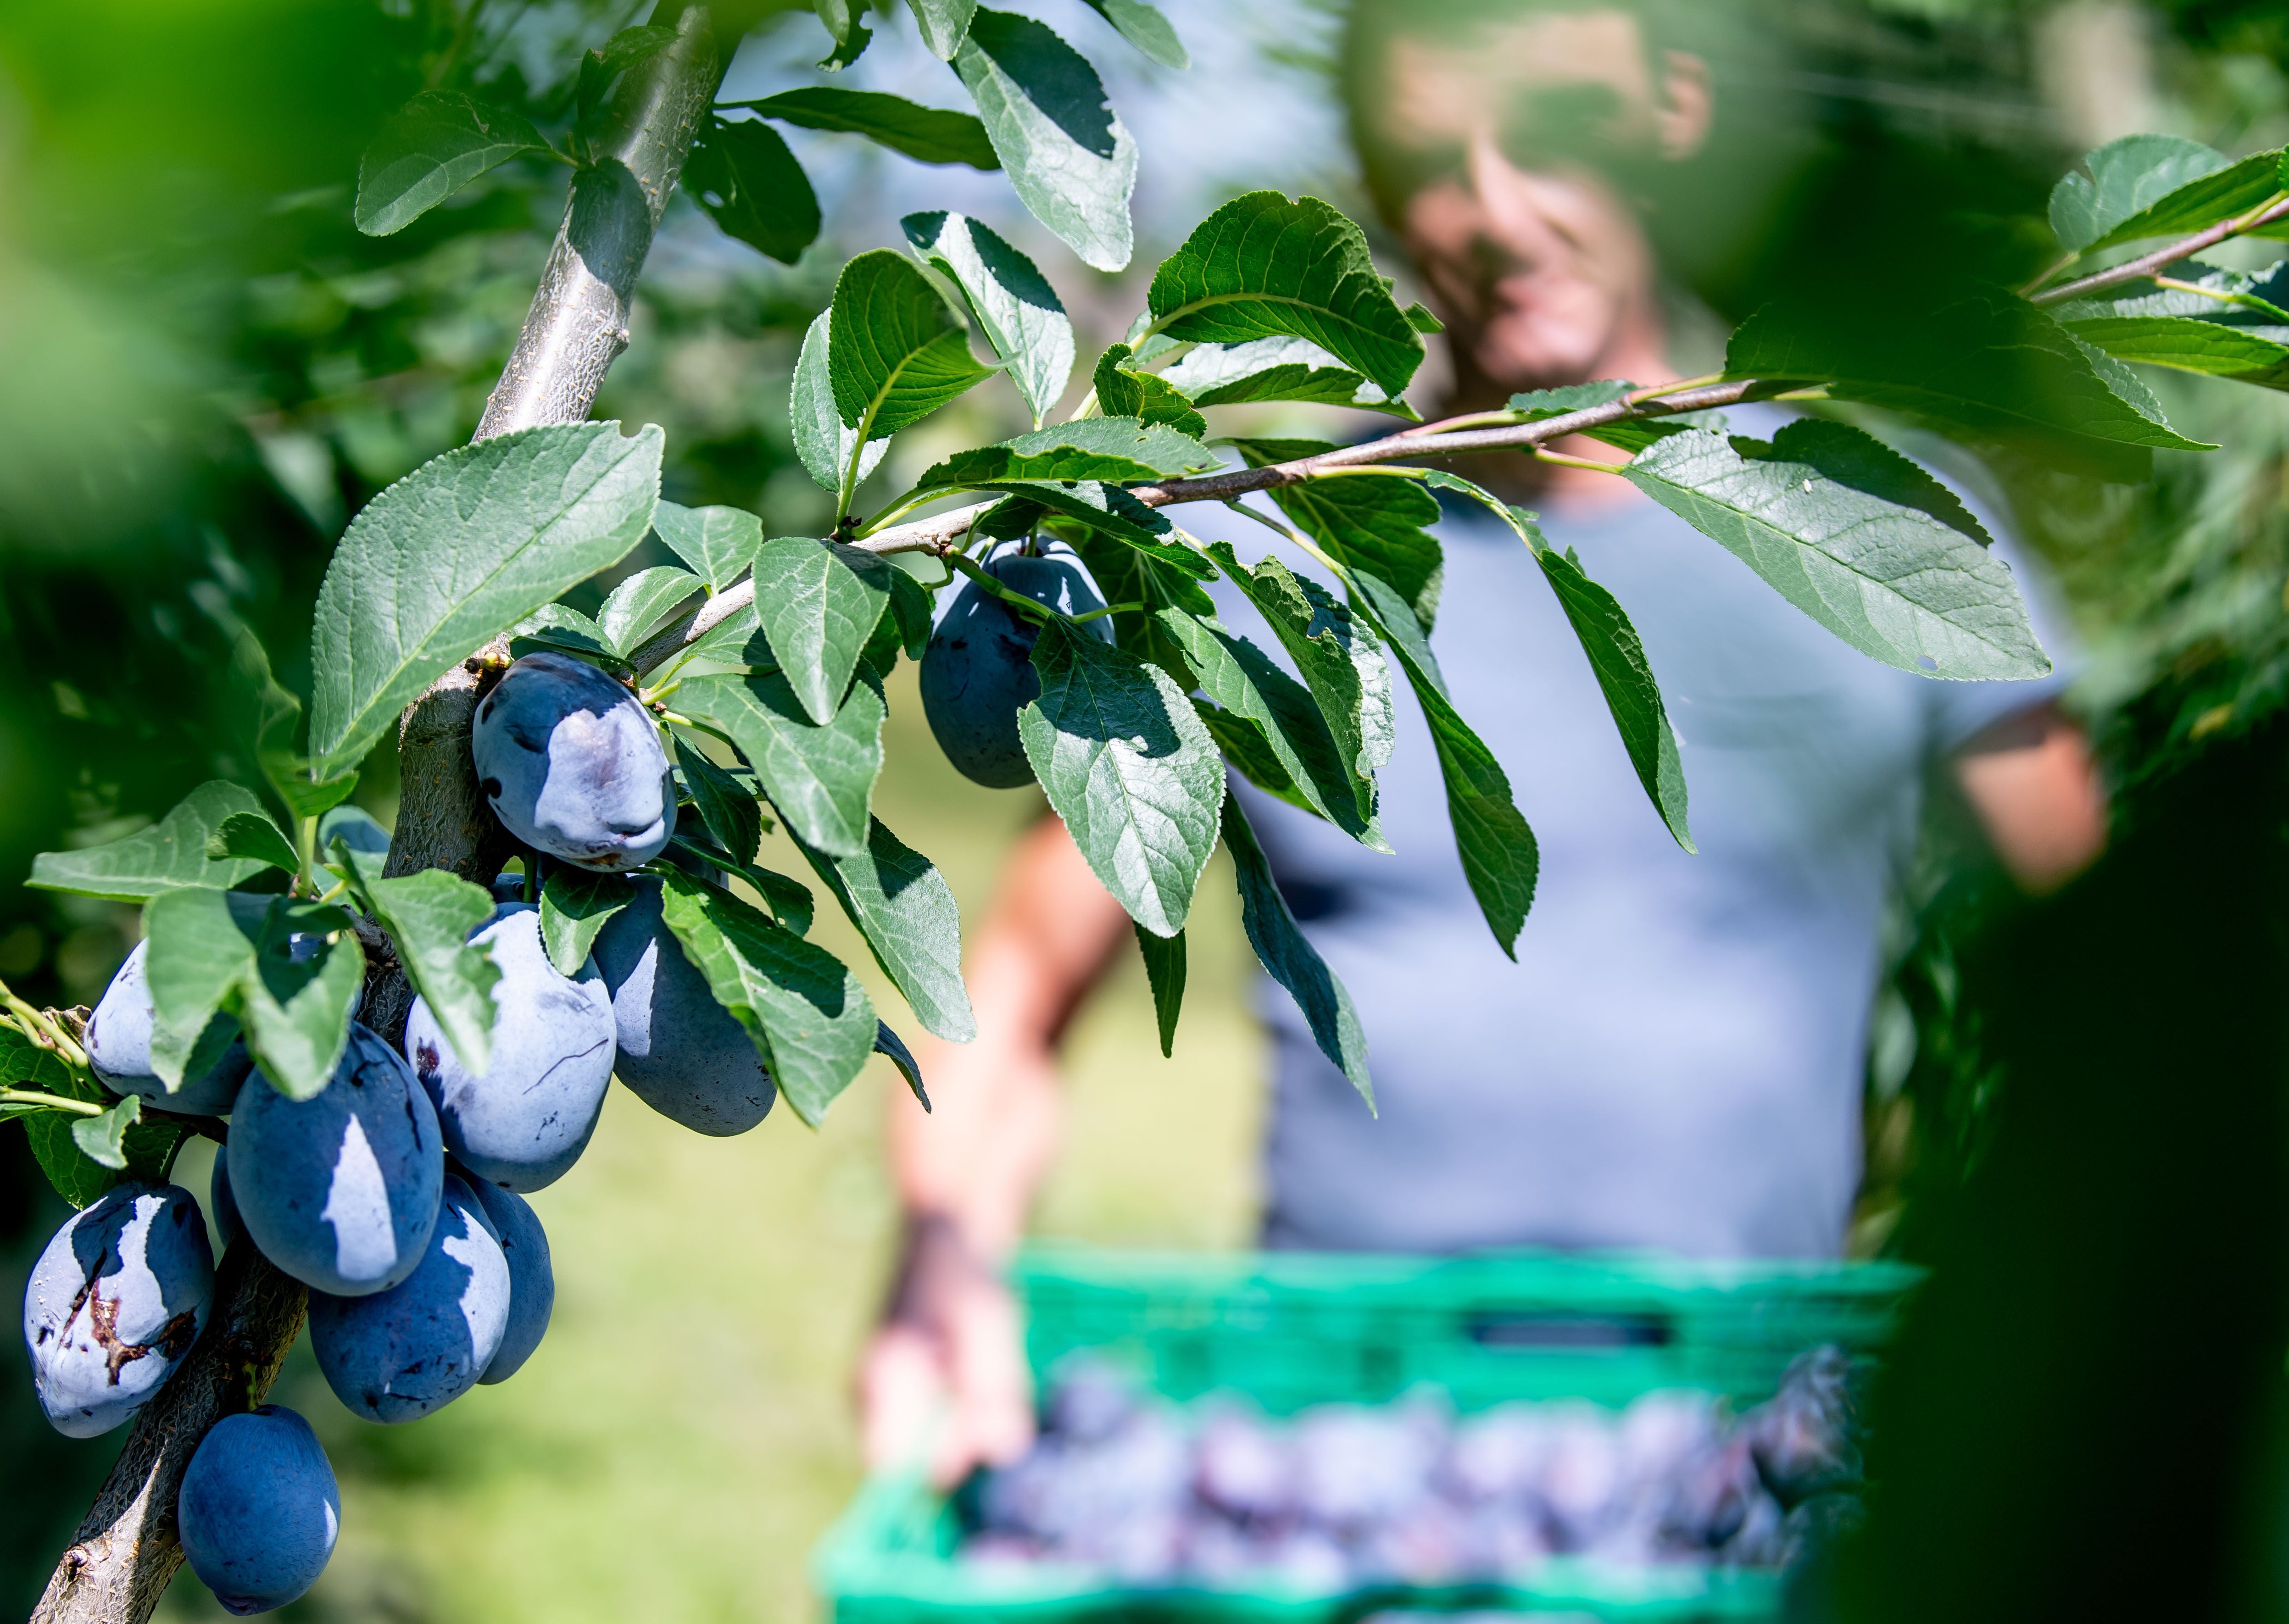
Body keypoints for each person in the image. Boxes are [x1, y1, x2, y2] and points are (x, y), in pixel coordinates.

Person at [859, 0, 2112, 1486]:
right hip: (1343, 1469)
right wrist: (942, 1258)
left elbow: (2126, 978)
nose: (1504, 211)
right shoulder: (1268, 567)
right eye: (1435, 155)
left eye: (1562, 133)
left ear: (1677, 114)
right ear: (1375, 182)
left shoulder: (1884, 535)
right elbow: (1006, 984)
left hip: (1739, 1451)